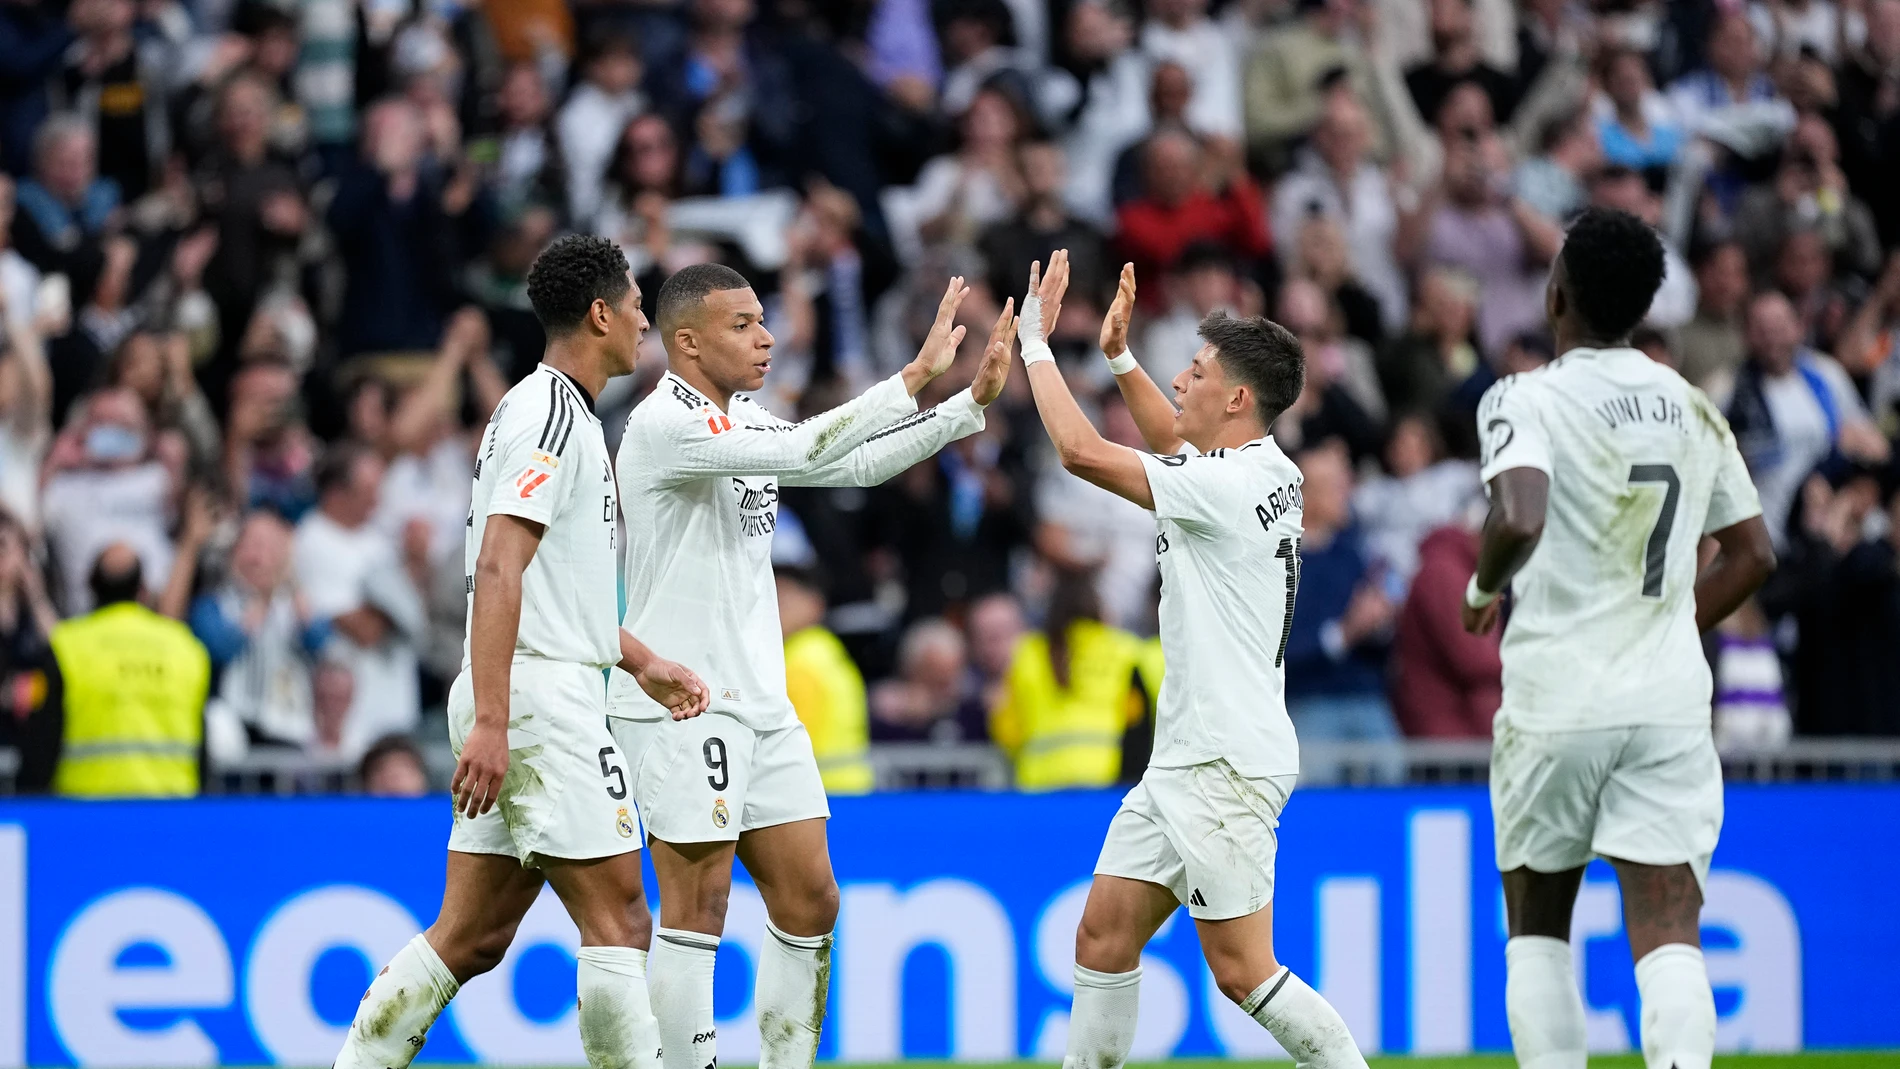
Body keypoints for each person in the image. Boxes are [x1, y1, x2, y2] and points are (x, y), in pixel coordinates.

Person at [607, 262, 1017, 1069]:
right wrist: (913, 378)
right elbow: (805, 445)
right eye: (742, 325)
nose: (767, 337)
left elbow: (841, 464)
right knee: (699, 907)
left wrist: (965, 410)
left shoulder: (745, 416)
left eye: (764, 319)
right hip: (684, 699)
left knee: (812, 897)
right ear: (686, 342)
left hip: (761, 700)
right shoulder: (665, 423)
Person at [329, 234, 709, 1069]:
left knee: (473, 934)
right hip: (537, 699)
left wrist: (636, 658)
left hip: (527, 684)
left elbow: (550, 585)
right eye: (638, 302)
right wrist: (496, 722)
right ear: (601, 312)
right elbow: (501, 561)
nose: (647, 318)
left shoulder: (546, 409)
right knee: (620, 922)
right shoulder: (548, 413)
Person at [1017, 251, 1368, 1066]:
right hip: (1186, 757)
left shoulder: (1228, 487)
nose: (1181, 379)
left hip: (1224, 761)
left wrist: (1038, 342)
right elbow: (1174, 438)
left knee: (1243, 971)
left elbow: (1078, 450)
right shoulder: (1255, 468)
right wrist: (1118, 357)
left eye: (1198, 370)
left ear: (1238, 398)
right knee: (1102, 935)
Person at [1461, 207, 1777, 1069]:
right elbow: (1753, 554)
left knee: (1537, 928)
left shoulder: (1523, 396)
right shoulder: (1694, 407)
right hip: (1668, 699)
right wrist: (1672, 619)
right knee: (1670, 928)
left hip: (1556, 696)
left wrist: (1483, 586)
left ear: (1556, 293)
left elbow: (1519, 511)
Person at [49, 544, 210, 797]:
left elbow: (43, 740)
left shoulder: (67, 645)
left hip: (84, 815)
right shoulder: (186, 647)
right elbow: (203, 743)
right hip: (172, 813)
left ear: (91, 588)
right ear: (143, 591)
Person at [989, 564, 1145, 789]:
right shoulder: (1123, 650)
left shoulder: (1027, 654)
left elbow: (1008, 731)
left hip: (1040, 783)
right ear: (1098, 607)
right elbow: (1135, 715)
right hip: (1106, 779)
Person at [777, 564, 872, 794]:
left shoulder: (800, 661)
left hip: (819, 793)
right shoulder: (827, 649)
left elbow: (787, 740)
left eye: (782, 601)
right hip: (852, 788)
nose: (773, 610)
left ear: (814, 604)